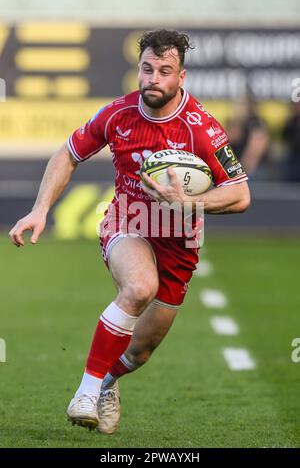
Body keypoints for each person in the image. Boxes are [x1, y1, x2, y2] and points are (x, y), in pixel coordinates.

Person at [9, 29, 250, 435]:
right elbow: (68, 154)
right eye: (147, 69)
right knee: (139, 287)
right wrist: (40, 208)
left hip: (180, 241)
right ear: (138, 69)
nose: (154, 79)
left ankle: (107, 383)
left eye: (165, 71)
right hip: (129, 220)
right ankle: (84, 393)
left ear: (181, 77)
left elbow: (240, 194)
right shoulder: (118, 114)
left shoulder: (202, 128)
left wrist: (187, 202)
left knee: (141, 351)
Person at [226, 96, 269, 178]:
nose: (239, 108)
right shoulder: (237, 122)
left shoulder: (256, 122)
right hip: (237, 167)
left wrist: (246, 167)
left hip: (254, 169)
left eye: (242, 105)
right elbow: (228, 140)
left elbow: (256, 147)